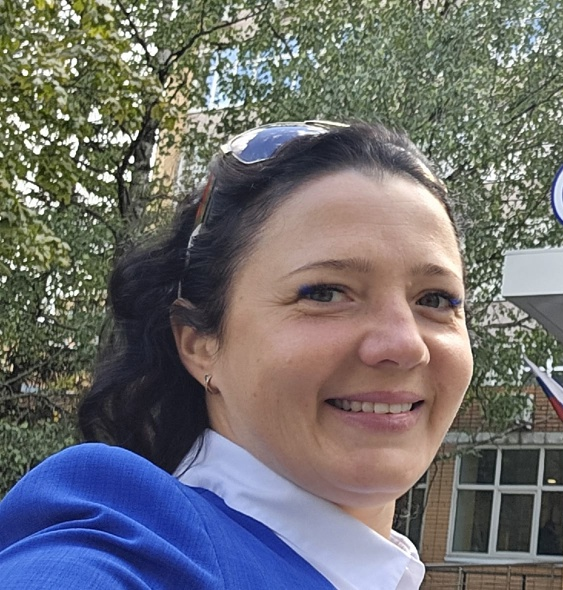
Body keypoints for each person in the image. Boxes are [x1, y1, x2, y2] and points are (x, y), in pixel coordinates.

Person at [0, 121, 473, 589]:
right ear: (200, 344)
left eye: (435, 299)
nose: (405, 346)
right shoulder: (130, 547)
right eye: (325, 293)